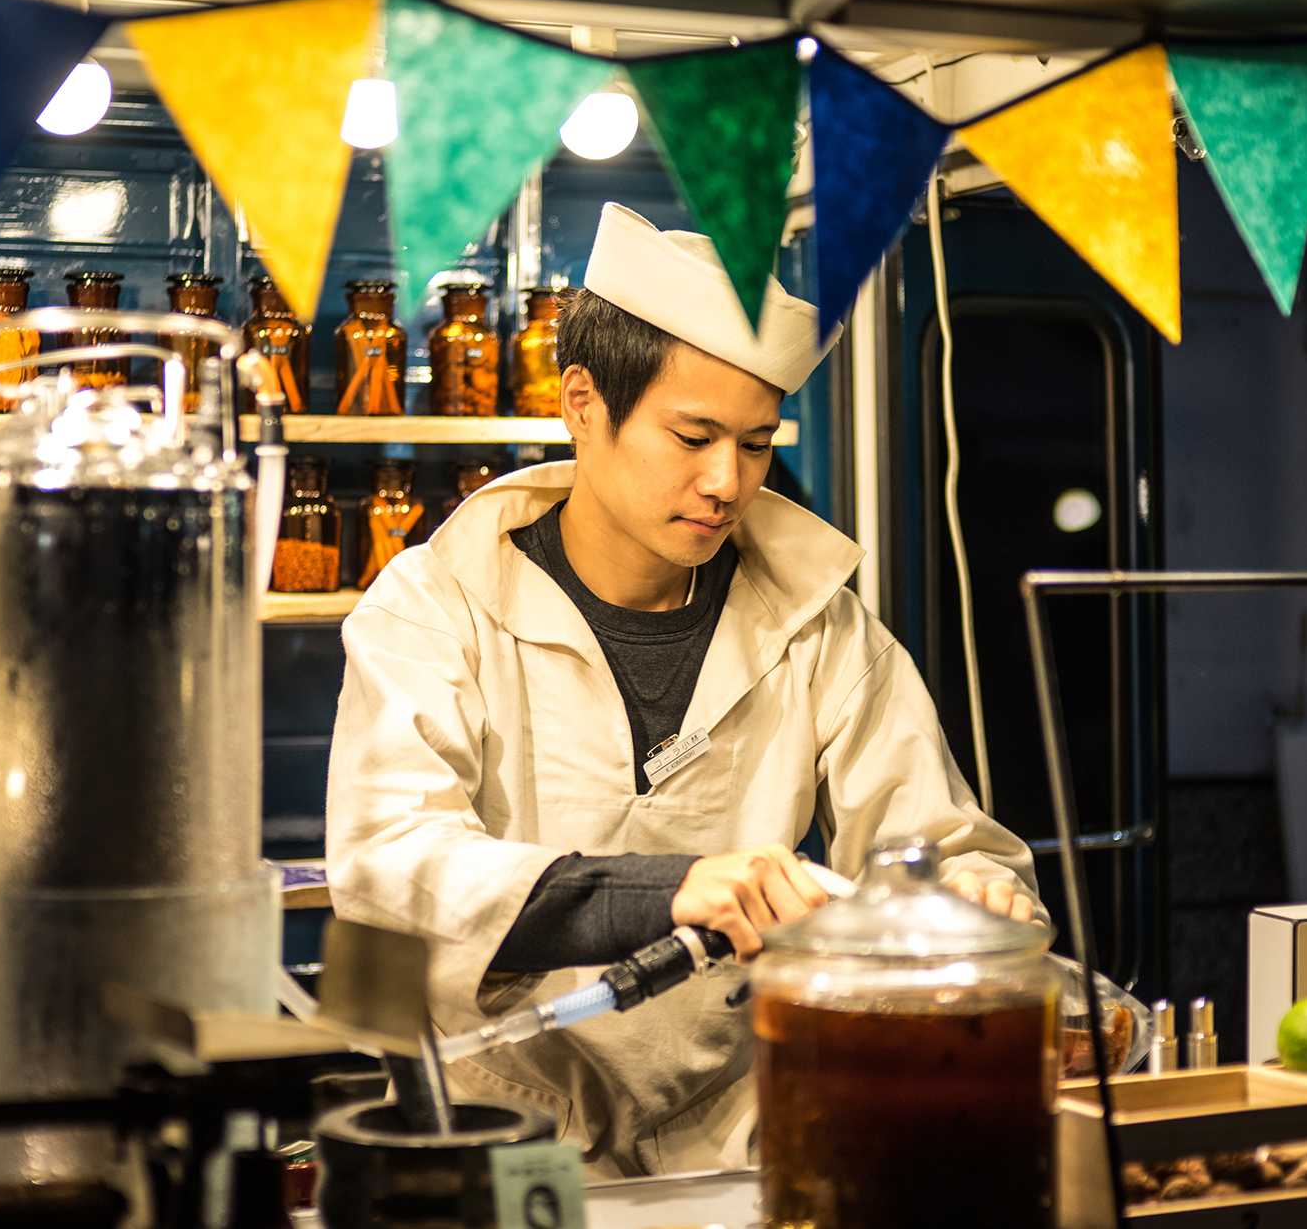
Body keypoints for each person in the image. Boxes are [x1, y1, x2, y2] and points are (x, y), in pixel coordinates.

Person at [326, 203, 1041, 1178]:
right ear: (582, 403)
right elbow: (391, 867)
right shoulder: (436, 603)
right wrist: (668, 889)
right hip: (497, 1127)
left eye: (754, 444)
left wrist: (968, 897)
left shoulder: (815, 624)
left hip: (737, 1139)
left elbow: (944, 846)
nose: (726, 480)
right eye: (693, 434)